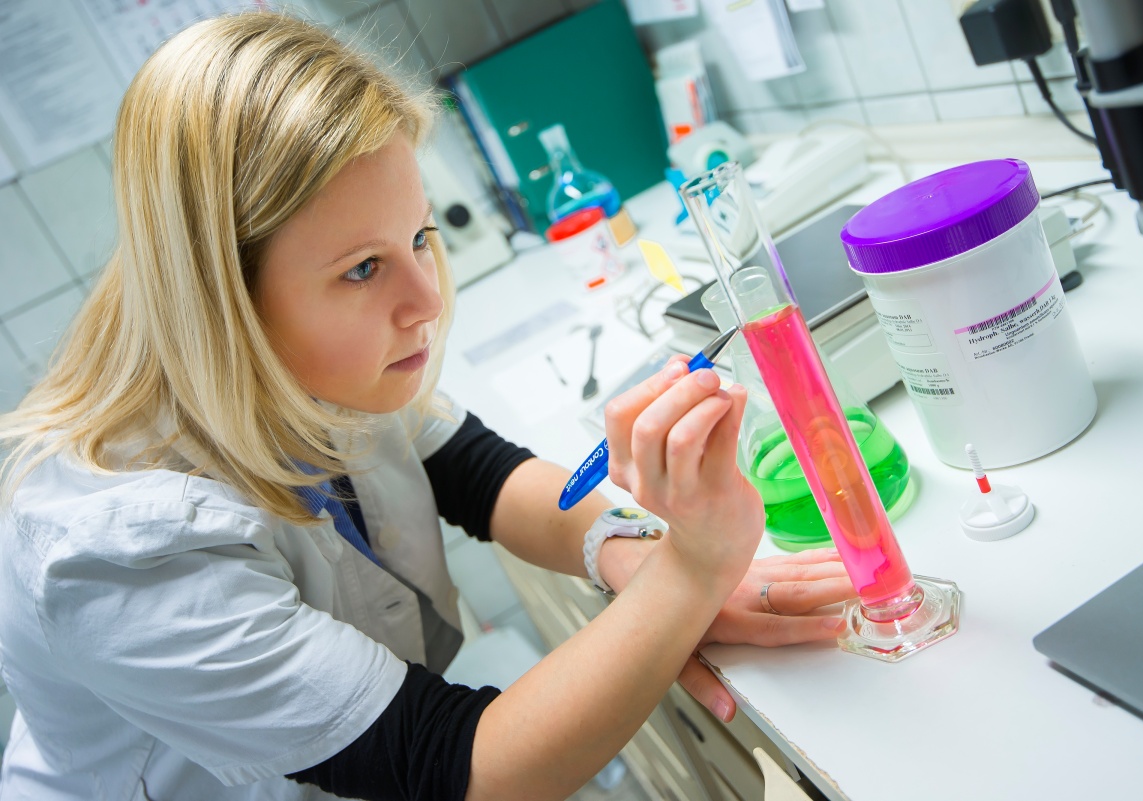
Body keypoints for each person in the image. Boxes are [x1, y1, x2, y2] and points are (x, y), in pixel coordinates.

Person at [0, 11, 854, 801]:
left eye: (418, 239)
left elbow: (473, 471)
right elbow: (462, 765)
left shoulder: (302, 364)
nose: (426, 301)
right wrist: (694, 568)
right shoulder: (117, 545)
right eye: (363, 269)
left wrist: (627, 555)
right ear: (228, 298)